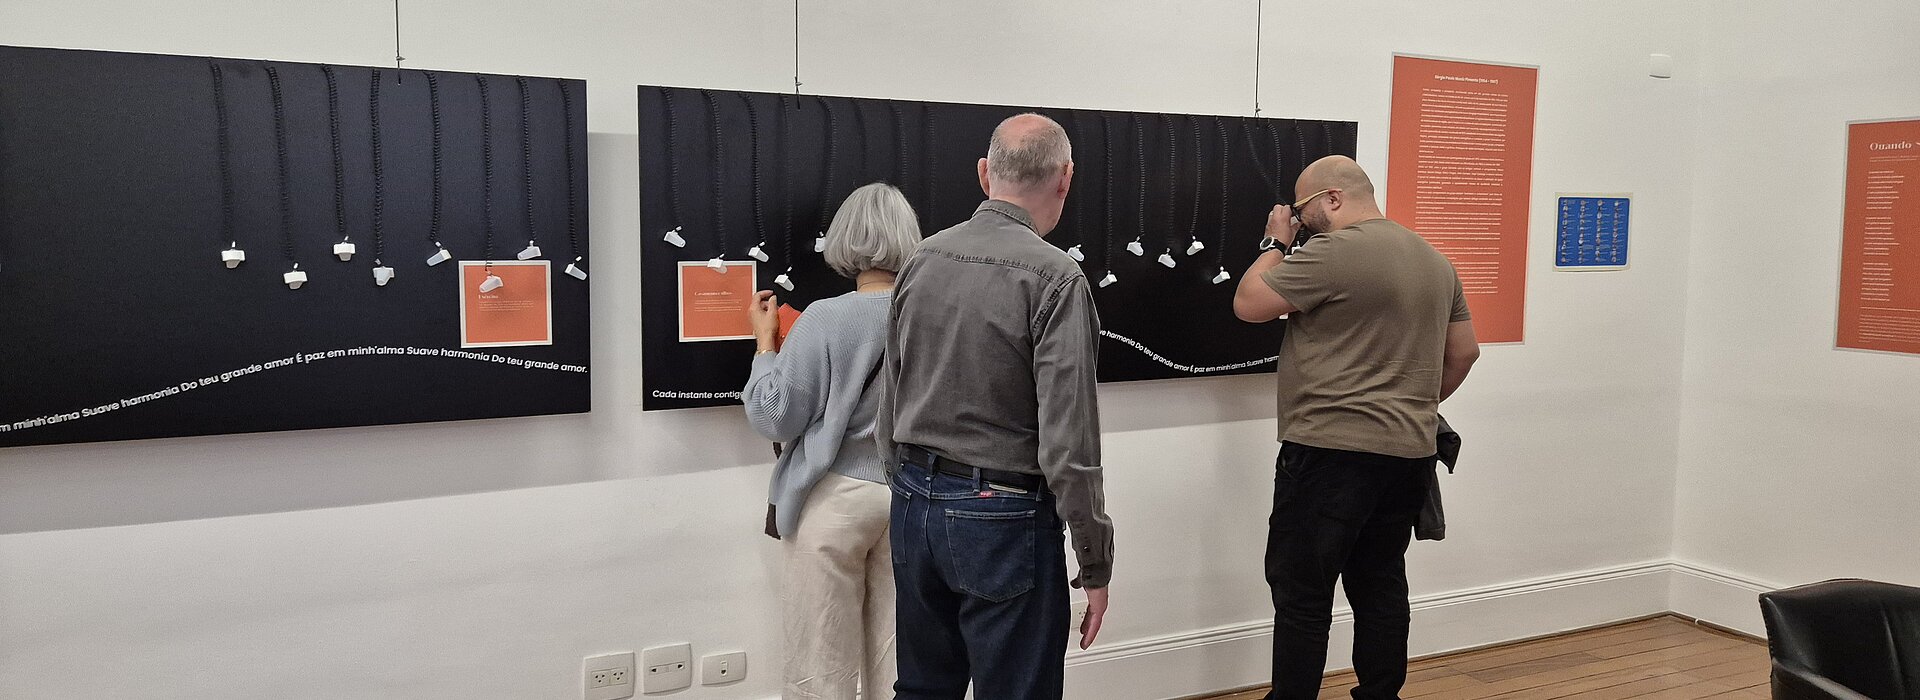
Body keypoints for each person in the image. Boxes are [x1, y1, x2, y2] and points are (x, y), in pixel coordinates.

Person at [875, 113, 1113, 699]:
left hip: (914, 504)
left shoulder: (922, 258)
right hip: (1002, 516)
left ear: (985, 173)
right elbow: (1069, 443)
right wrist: (1094, 559)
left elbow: (892, 393)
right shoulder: (1056, 278)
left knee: (922, 688)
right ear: (1065, 178)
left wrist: (908, 487)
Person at [1231, 155, 1480, 700]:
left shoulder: (1332, 253)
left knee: (1302, 591)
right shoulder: (1435, 260)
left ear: (1333, 198)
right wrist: (1411, 402)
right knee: (1380, 582)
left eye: (1302, 208)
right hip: (1409, 453)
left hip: (1329, 452)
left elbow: (1248, 303)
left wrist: (1275, 241)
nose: (1300, 218)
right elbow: (1465, 352)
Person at [743, 182, 923, 700]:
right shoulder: (930, 314)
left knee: (820, 668)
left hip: (834, 496)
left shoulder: (825, 318)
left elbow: (775, 417)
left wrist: (765, 345)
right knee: (901, 664)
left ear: (845, 239)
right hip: (911, 495)